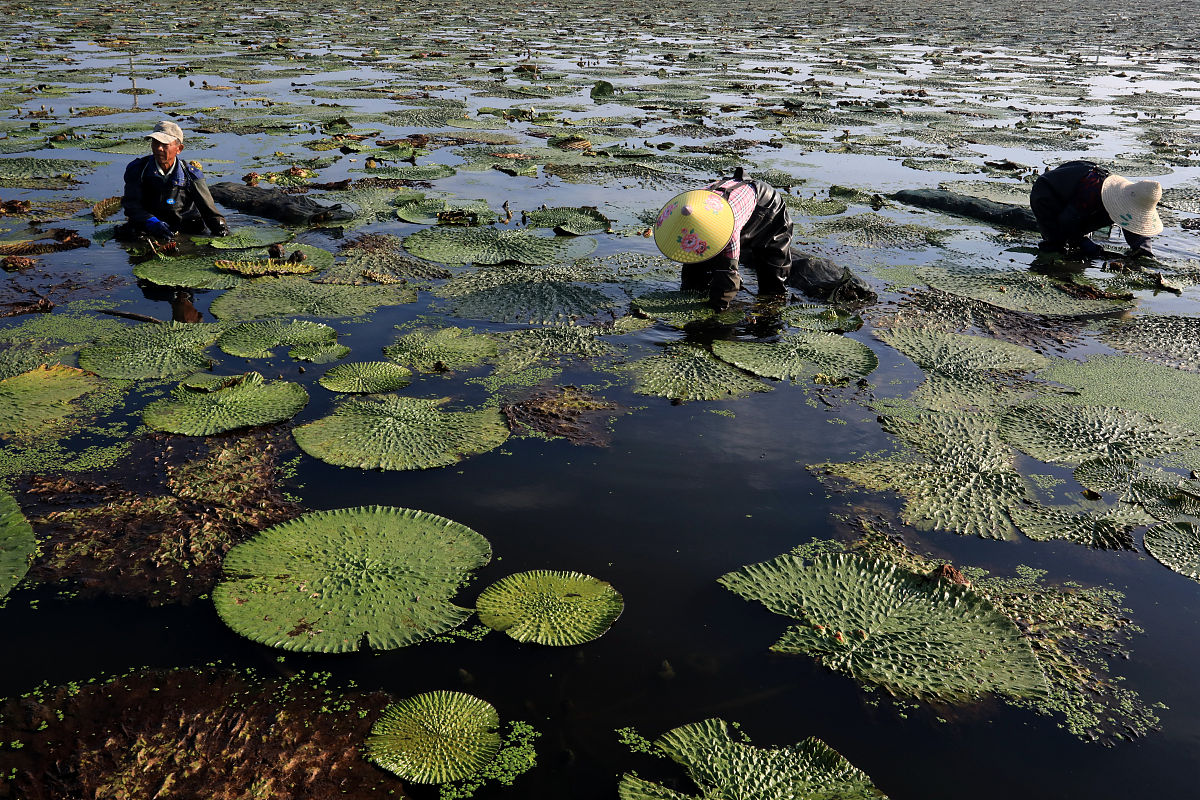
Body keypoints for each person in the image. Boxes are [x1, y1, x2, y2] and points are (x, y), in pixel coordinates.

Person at [653, 168, 792, 310]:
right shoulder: (688, 207)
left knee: (771, 281)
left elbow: (729, 270)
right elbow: (692, 257)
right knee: (696, 267)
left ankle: (772, 314)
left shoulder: (728, 226)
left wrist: (717, 308)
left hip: (767, 207)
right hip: (733, 198)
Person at [118, 120, 229, 240]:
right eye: (155, 143)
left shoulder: (191, 176)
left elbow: (209, 212)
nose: (159, 148)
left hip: (185, 228)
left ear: (179, 148)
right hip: (148, 228)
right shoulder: (138, 170)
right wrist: (152, 222)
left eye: (165, 145)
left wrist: (222, 231)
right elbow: (131, 205)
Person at [1029, 160, 1163, 259]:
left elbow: (1131, 222)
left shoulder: (1131, 197)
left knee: (1079, 245)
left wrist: (1143, 251)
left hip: (1078, 199)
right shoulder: (1093, 190)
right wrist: (1082, 241)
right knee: (1056, 244)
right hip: (1048, 193)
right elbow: (1066, 220)